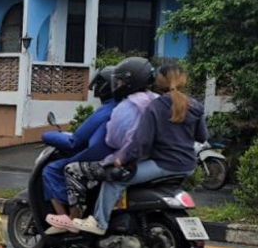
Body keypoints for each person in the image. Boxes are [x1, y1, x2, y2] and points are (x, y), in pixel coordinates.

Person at [73, 63, 208, 235]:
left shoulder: (156, 106)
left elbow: (141, 141)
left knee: (114, 179)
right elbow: (202, 136)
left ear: (160, 81)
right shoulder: (195, 105)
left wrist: (122, 159)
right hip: (188, 165)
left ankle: (99, 224)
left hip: (164, 164)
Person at [48, 57, 159, 232]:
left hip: (126, 160)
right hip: (153, 160)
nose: (118, 85)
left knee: (72, 169)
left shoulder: (124, 107)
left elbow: (111, 139)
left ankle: (75, 219)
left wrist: (47, 135)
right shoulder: (158, 101)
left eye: (120, 81)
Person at [41, 67, 117, 233]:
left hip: (98, 159)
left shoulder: (106, 110)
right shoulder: (130, 107)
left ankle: (69, 219)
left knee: (52, 170)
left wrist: (47, 135)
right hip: (120, 158)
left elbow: (74, 141)